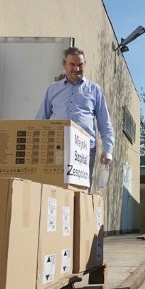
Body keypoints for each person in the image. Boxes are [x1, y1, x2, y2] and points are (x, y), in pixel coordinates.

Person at [35, 47, 114, 187]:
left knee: (80, 189)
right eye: (72, 64)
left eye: (80, 65)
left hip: (85, 150)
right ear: (64, 64)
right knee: (53, 187)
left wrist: (108, 150)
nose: (76, 69)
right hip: (56, 147)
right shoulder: (52, 89)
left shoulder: (95, 90)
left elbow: (105, 123)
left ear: (85, 65)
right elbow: (41, 120)